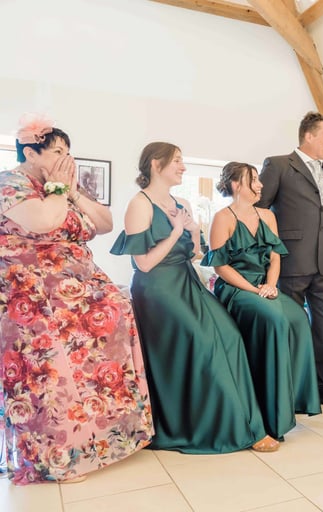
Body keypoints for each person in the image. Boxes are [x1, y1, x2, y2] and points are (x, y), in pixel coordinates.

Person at [0, 114, 153, 485]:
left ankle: (103, 442)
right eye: (56, 151)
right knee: (49, 376)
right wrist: (57, 189)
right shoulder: (11, 183)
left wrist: (72, 191)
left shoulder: (65, 186)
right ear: (30, 153)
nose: (65, 158)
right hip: (32, 297)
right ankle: (54, 459)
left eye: (68, 151)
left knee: (102, 354)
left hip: (78, 292)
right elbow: (43, 223)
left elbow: (104, 223)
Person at [111, 142, 279, 453]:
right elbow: (143, 264)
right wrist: (176, 231)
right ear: (156, 164)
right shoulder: (139, 204)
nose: (183, 167)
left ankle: (245, 423)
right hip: (158, 290)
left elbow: (196, 254)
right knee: (203, 343)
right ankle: (221, 428)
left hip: (187, 281)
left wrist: (192, 229)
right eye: (177, 161)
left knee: (230, 336)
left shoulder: (182, 202)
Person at [201, 162, 321, 440]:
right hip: (236, 288)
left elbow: (275, 258)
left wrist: (269, 285)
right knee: (274, 319)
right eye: (253, 179)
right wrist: (254, 291)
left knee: (298, 317)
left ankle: (291, 400)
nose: (260, 185)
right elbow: (221, 268)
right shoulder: (222, 218)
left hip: (265, 287)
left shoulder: (267, 216)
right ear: (236, 185)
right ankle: (269, 410)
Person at [256, 112, 323, 408]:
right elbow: (259, 210)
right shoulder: (279, 165)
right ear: (308, 136)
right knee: (292, 327)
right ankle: (291, 388)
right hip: (290, 260)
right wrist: (271, 252)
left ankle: (321, 388)